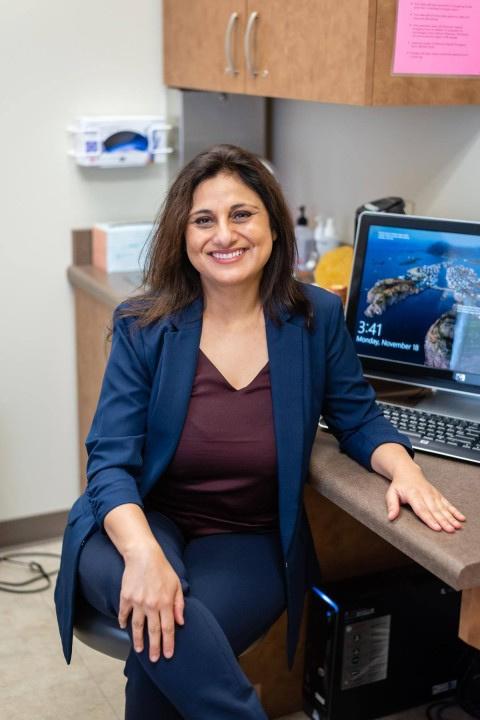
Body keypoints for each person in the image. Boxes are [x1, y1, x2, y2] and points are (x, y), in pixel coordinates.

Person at [54, 144, 465, 720]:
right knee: (166, 627)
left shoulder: (314, 317)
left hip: (247, 536)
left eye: (241, 214)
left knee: (164, 644)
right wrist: (143, 554)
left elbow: (357, 417)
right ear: (183, 236)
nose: (224, 234)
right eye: (204, 220)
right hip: (135, 520)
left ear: (272, 224)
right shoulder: (145, 325)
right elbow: (110, 461)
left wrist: (406, 471)